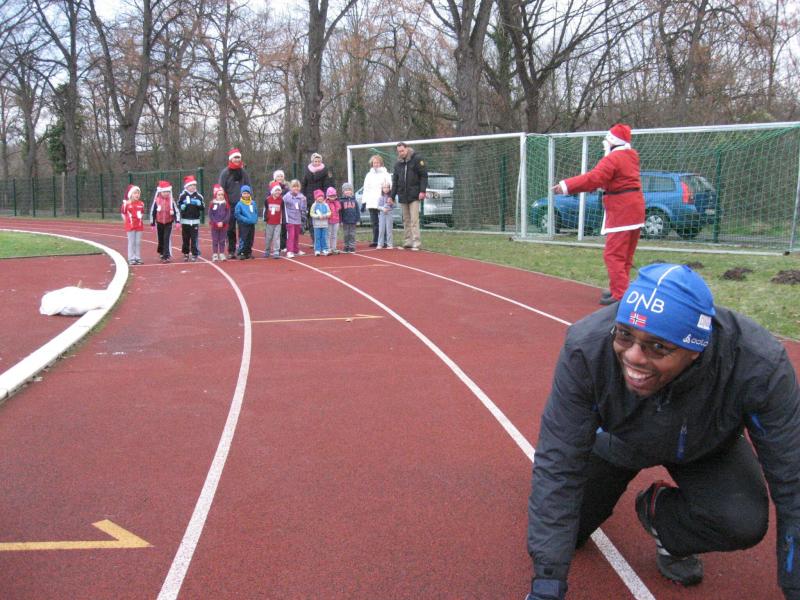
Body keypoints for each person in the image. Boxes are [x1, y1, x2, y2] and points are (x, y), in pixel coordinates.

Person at [525, 263, 800, 600]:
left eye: (658, 347)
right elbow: (558, 462)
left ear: (696, 349)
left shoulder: (759, 365)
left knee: (741, 522)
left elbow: (793, 481)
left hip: (706, 444)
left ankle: (660, 516)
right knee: (569, 534)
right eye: (624, 335)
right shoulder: (587, 347)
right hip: (621, 440)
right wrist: (547, 585)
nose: (633, 357)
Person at [552, 123, 645, 305]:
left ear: (613, 142)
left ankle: (620, 295)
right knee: (625, 254)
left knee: (613, 254)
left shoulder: (613, 158)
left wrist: (566, 186)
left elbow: (594, 178)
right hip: (636, 209)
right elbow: (613, 179)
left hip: (622, 211)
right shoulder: (631, 155)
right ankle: (620, 288)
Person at [391, 142, 427, 251]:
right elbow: (395, 181)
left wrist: (422, 191)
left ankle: (417, 242)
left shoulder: (417, 159)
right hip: (403, 195)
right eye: (399, 151)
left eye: (402, 150)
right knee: (406, 220)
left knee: (414, 220)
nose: (401, 153)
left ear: (406, 149)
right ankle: (408, 241)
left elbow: (424, 176)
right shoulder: (398, 164)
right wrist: (392, 196)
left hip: (414, 195)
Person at [219, 147, 251, 259]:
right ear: (231, 159)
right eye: (235, 158)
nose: (237, 159)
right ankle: (231, 250)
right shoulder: (225, 173)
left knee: (243, 228)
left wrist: (248, 202)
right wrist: (224, 204)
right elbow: (221, 189)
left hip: (243, 205)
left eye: (238, 157)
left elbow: (248, 187)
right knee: (230, 229)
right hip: (230, 205)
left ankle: (243, 250)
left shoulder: (243, 173)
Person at [301, 152, 335, 244]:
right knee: (311, 220)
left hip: (321, 199)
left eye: (318, 161)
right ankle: (314, 240)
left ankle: (322, 240)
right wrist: (303, 196)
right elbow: (304, 184)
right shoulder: (307, 171)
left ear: (321, 161)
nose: (317, 163)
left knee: (321, 220)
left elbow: (327, 185)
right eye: (315, 161)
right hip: (309, 198)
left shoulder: (325, 172)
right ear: (312, 161)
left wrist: (324, 197)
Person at [361, 154, 392, 247]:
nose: (376, 164)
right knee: (374, 222)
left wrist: (389, 198)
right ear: (372, 164)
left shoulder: (386, 174)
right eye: (374, 163)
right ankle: (375, 240)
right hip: (371, 202)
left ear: (381, 163)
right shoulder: (368, 175)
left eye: (377, 162)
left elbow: (390, 186)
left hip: (382, 202)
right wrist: (364, 202)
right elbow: (366, 188)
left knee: (383, 222)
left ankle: (385, 241)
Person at [149, 180, 180, 263]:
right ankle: (161, 252)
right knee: (161, 239)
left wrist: (177, 221)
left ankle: (166, 255)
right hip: (159, 223)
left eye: (168, 191)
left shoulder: (171, 201)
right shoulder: (157, 201)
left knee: (166, 238)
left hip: (168, 223)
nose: (166, 193)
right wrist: (152, 223)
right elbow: (153, 212)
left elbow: (176, 211)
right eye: (164, 192)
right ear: (160, 192)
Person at [177, 174, 205, 262]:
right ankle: (185, 253)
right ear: (186, 186)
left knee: (194, 238)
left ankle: (194, 253)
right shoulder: (182, 195)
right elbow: (178, 204)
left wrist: (199, 204)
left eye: (194, 185)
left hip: (195, 221)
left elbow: (203, 207)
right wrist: (182, 206)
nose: (193, 187)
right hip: (185, 221)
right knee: (185, 238)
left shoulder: (199, 196)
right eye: (191, 185)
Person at [121, 184, 144, 265]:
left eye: (138, 193)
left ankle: (137, 257)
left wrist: (139, 219)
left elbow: (142, 213)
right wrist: (127, 222)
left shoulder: (141, 204)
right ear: (131, 194)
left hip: (139, 226)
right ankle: (131, 258)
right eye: (135, 193)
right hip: (130, 226)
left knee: (138, 242)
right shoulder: (126, 204)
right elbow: (123, 214)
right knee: (131, 242)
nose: (137, 195)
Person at [283, 179, 307, 258]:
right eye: (294, 186)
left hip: (298, 219)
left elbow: (303, 208)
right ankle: (289, 251)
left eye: (297, 186)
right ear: (290, 188)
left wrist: (304, 201)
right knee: (291, 236)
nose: (296, 188)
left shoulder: (301, 196)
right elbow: (283, 204)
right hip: (290, 220)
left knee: (296, 236)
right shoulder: (287, 196)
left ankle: (296, 249)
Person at [234, 184, 258, 260]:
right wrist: (244, 219)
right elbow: (237, 214)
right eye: (244, 193)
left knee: (250, 238)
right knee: (243, 238)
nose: (246, 195)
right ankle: (241, 252)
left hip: (251, 224)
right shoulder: (239, 204)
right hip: (243, 225)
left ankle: (248, 252)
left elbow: (256, 212)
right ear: (241, 194)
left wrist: (255, 219)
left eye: (247, 193)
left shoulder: (253, 203)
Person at [208, 184, 230, 262]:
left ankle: (221, 253)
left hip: (224, 226)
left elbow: (228, 215)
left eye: (222, 195)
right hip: (214, 226)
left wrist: (223, 222)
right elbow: (210, 214)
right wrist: (216, 222)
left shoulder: (226, 204)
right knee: (215, 240)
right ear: (216, 195)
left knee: (222, 240)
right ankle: (215, 254)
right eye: (219, 195)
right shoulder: (212, 204)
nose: (220, 196)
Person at [264, 181, 284, 259]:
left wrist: (283, 220)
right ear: (272, 191)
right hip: (269, 222)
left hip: (278, 222)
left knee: (276, 237)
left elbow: (283, 210)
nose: (278, 192)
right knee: (268, 237)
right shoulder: (267, 200)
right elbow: (265, 209)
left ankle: (276, 251)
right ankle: (267, 250)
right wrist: (265, 217)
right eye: (276, 190)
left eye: (279, 190)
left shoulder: (281, 200)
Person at [272, 169, 289, 254]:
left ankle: (283, 245)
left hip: (284, 211)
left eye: (281, 176)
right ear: (275, 178)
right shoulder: (271, 187)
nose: (280, 178)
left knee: (284, 228)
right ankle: (277, 246)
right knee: (276, 229)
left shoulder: (286, 187)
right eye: (278, 176)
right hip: (275, 211)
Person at [309, 189, 331, 256]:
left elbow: (329, 212)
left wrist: (325, 215)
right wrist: (318, 216)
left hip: (324, 224)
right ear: (316, 197)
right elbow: (311, 213)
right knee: (317, 237)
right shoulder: (314, 205)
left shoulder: (326, 205)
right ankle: (317, 250)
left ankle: (324, 249)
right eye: (318, 196)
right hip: (317, 225)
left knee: (324, 237)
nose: (320, 198)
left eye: (321, 196)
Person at [339, 182, 359, 254]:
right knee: (346, 234)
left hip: (353, 221)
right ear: (343, 191)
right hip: (345, 221)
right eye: (346, 190)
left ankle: (352, 246)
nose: (348, 191)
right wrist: (340, 221)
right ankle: (346, 246)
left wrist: (358, 219)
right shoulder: (341, 201)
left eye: (349, 190)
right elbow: (340, 212)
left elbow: (357, 211)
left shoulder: (354, 201)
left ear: (352, 191)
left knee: (352, 234)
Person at [376, 181, 394, 249]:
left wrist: (391, 203)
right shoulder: (380, 197)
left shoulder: (392, 197)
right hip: (382, 214)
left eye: (387, 187)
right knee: (381, 229)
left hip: (389, 214)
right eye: (384, 187)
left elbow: (395, 206)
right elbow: (378, 206)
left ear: (389, 188)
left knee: (389, 229)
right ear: (382, 189)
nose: (386, 189)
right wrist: (383, 209)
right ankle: (380, 244)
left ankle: (389, 244)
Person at [325, 186, 341, 255]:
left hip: (336, 221)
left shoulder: (337, 202)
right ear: (328, 196)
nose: (332, 198)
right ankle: (328, 248)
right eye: (331, 196)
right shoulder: (326, 203)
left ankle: (334, 248)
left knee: (334, 235)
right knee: (328, 234)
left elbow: (339, 208)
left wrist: (336, 203)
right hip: (328, 221)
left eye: (334, 196)